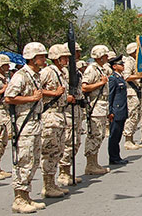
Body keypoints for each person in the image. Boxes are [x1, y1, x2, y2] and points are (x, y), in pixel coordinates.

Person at [4, 42, 47, 213]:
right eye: (41, 57)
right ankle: (19, 198)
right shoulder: (21, 76)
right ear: (32, 58)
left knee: (33, 160)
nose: (44, 60)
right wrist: (31, 99)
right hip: (24, 124)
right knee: (24, 160)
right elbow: (9, 97)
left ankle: (27, 195)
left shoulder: (35, 75)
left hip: (35, 122)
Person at [40, 44, 71, 198]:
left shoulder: (61, 73)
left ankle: (52, 183)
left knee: (58, 150)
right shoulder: (47, 72)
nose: (67, 60)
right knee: (49, 151)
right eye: (64, 57)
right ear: (57, 58)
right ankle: (47, 185)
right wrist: (54, 93)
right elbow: (36, 90)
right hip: (50, 115)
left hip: (60, 114)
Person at [57, 43, 84, 187]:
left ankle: (67, 170)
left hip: (77, 107)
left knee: (75, 140)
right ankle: (63, 171)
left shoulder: (74, 70)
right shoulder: (60, 72)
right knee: (68, 140)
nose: (77, 55)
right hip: (66, 109)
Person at [81, 45, 111, 175]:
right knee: (94, 134)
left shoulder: (101, 69)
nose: (107, 58)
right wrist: (101, 83)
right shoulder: (92, 69)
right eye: (105, 55)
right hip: (95, 105)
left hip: (102, 104)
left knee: (100, 134)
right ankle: (90, 164)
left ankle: (95, 162)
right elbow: (84, 87)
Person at [123, 42, 142, 149]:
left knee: (136, 116)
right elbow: (127, 76)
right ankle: (128, 140)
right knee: (132, 115)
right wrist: (139, 75)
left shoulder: (136, 61)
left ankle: (131, 139)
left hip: (137, 90)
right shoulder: (129, 61)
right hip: (131, 91)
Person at [107, 55, 129, 165]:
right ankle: (113, 157)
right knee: (114, 135)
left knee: (118, 134)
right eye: (121, 64)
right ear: (115, 66)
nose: (123, 66)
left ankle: (117, 156)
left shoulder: (120, 78)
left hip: (122, 110)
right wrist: (110, 111)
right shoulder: (113, 79)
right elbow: (110, 96)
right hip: (116, 110)